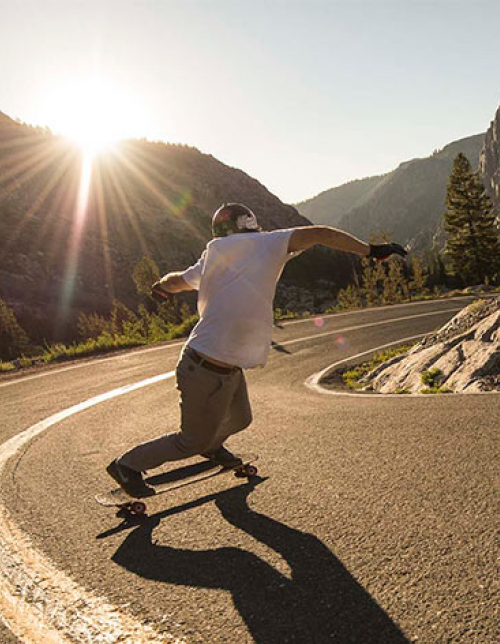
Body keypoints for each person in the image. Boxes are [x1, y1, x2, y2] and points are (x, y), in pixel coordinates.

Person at [106, 202, 407, 497]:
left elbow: (177, 281)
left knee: (240, 419)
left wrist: (160, 285)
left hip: (223, 366)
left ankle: (211, 446)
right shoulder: (268, 243)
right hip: (204, 368)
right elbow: (320, 233)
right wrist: (372, 250)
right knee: (190, 441)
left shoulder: (213, 254)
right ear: (249, 222)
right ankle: (127, 465)